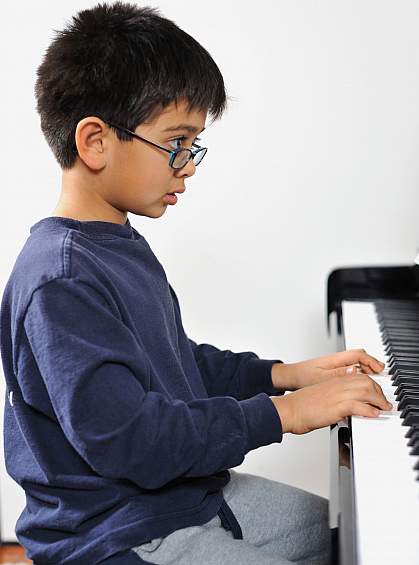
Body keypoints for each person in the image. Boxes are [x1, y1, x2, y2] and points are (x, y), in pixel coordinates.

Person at [0, 2, 392, 564]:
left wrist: (284, 376)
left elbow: (173, 365)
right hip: (120, 531)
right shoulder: (59, 279)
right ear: (94, 141)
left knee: (339, 539)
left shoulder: (117, 243)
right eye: (176, 142)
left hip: (180, 497)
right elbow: (132, 440)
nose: (187, 165)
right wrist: (286, 413)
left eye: (193, 146)